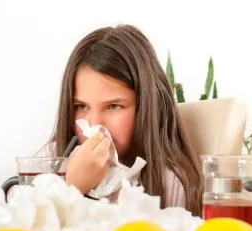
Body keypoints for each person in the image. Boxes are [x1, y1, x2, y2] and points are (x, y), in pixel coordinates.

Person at [37, 24, 203, 217]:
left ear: (146, 106)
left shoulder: (169, 182)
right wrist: (70, 186)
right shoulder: (49, 161)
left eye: (113, 106)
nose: (95, 126)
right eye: (81, 107)